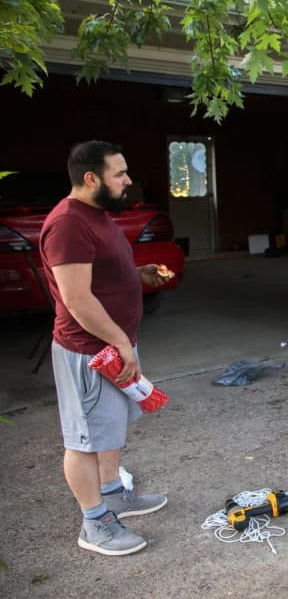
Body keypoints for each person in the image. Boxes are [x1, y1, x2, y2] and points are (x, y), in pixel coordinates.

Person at [38, 140, 171, 556]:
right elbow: (76, 298)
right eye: (120, 173)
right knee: (82, 439)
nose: (128, 180)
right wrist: (119, 341)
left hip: (113, 346)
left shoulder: (95, 216)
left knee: (108, 428)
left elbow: (98, 274)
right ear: (91, 178)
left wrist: (137, 274)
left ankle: (113, 494)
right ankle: (94, 523)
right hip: (89, 353)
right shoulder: (67, 225)